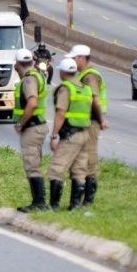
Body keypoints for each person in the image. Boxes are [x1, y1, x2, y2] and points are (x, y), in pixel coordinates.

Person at [47, 58, 93, 211]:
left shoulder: (66, 88)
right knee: (79, 171)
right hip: (85, 134)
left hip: (70, 135)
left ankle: (53, 206)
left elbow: (61, 113)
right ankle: (75, 206)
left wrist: (54, 136)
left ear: (62, 72)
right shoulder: (85, 89)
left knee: (56, 169)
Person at [66, 44, 109, 206]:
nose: (73, 62)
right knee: (82, 158)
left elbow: (95, 100)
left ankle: (88, 201)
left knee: (89, 159)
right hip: (86, 121)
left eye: (74, 58)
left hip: (91, 122)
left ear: (82, 58)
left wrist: (101, 120)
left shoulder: (90, 76)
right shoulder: (84, 75)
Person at [12, 49, 50, 212]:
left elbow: (32, 103)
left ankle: (39, 202)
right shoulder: (37, 75)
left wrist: (21, 123)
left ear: (18, 64)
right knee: (34, 163)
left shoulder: (29, 80)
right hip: (38, 126)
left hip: (32, 127)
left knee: (32, 165)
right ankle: (38, 201)